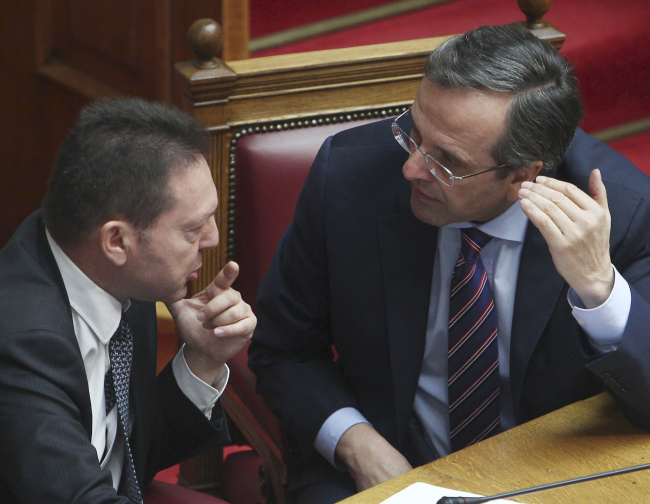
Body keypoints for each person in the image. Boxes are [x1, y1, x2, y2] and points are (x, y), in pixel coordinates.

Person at [248, 25, 650, 504]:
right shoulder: (349, 178)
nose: (411, 168)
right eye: (413, 133)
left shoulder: (619, 214)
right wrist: (358, 445)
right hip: (378, 461)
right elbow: (283, 351)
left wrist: (598, 289)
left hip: (551, 476)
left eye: (447, 161)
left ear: (522, 175)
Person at [0, 98, 257, 503]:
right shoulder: (21, 343)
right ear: (117, 240)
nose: (213, 239)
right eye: (193, 229)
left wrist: (204, 359)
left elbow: (128, 459)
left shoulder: (118, 277)